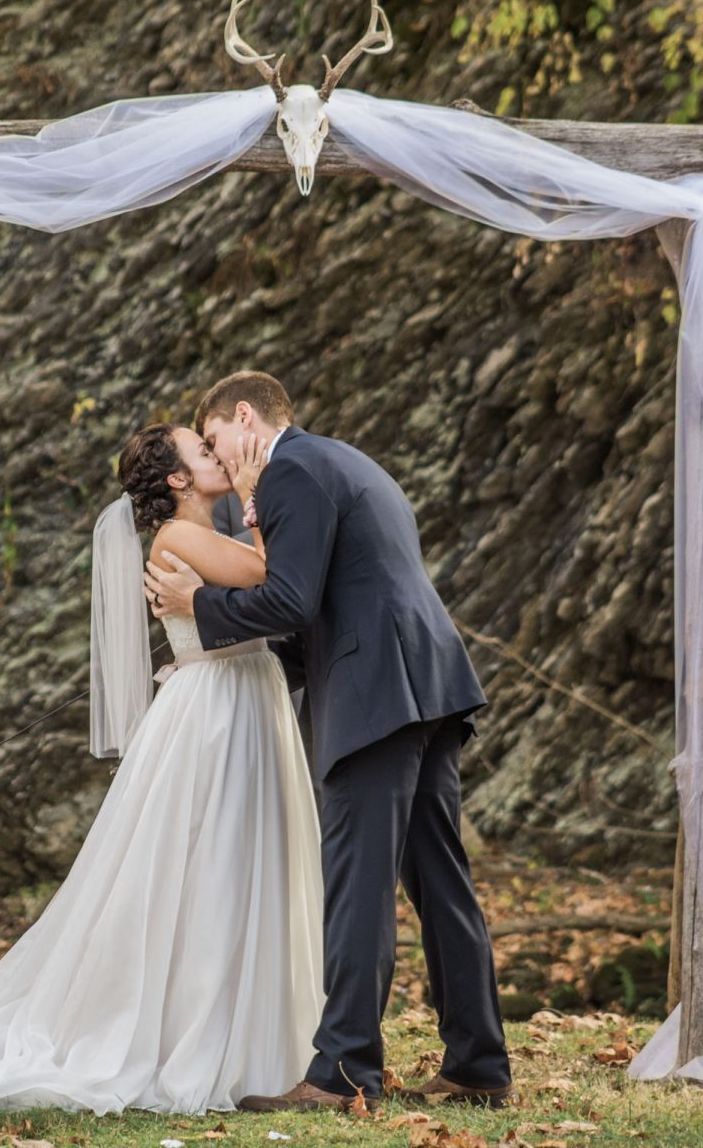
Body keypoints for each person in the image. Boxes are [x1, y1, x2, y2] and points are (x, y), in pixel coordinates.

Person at [0, 423, 323, 1115]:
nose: (218, 455)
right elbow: (271, 576)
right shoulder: (180, 538)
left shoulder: (197, 533)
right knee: (211, 868)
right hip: (216, 713)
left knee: (247, 862)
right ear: (180, 481)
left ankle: (259, 1033)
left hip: (247, 698)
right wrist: (255, 493)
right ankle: (195, 1030)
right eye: (203, 450)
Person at [145, 371, 514, 1111]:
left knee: (358, 890)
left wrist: (198, 604)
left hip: (377, 696)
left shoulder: (290, 473)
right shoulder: (339, 459)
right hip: (425, 682)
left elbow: (291, 598)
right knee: (441, 882)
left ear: (243, 417)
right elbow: (339, 595)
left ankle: (342, 1073)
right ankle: (478, 1065)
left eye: (216, 439)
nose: (220, 457)